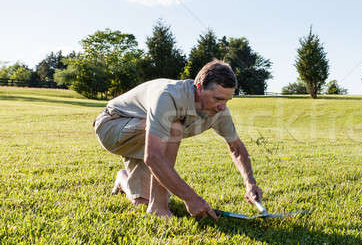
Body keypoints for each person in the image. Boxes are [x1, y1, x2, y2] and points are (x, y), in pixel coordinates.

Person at [93, 60, 262, 220]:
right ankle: (158, 208)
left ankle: (123, 179)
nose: (222, 106)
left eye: (227, 100)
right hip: (112, 126)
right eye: (217, 98)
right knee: (174, 127)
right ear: (199, 87)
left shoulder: (220, 111)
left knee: (140, 201)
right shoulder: (169, 95)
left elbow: (236, 148)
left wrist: (250, 183)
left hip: (146, 137)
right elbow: (153, 156)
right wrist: (191, 198)